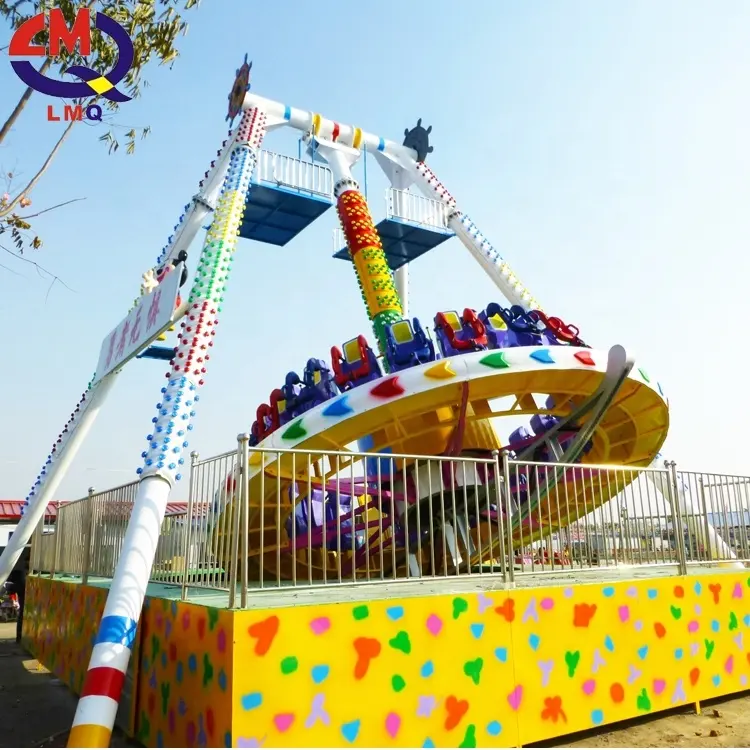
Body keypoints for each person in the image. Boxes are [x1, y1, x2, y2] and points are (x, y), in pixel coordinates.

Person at [6, 547, 29, 644]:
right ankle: (19, 637)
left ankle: (20, 637)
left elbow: (16, 587)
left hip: (23, 597)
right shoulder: (23, 574)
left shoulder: (22, 573)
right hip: (23, 597)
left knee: (22, 617)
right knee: (22, 617)